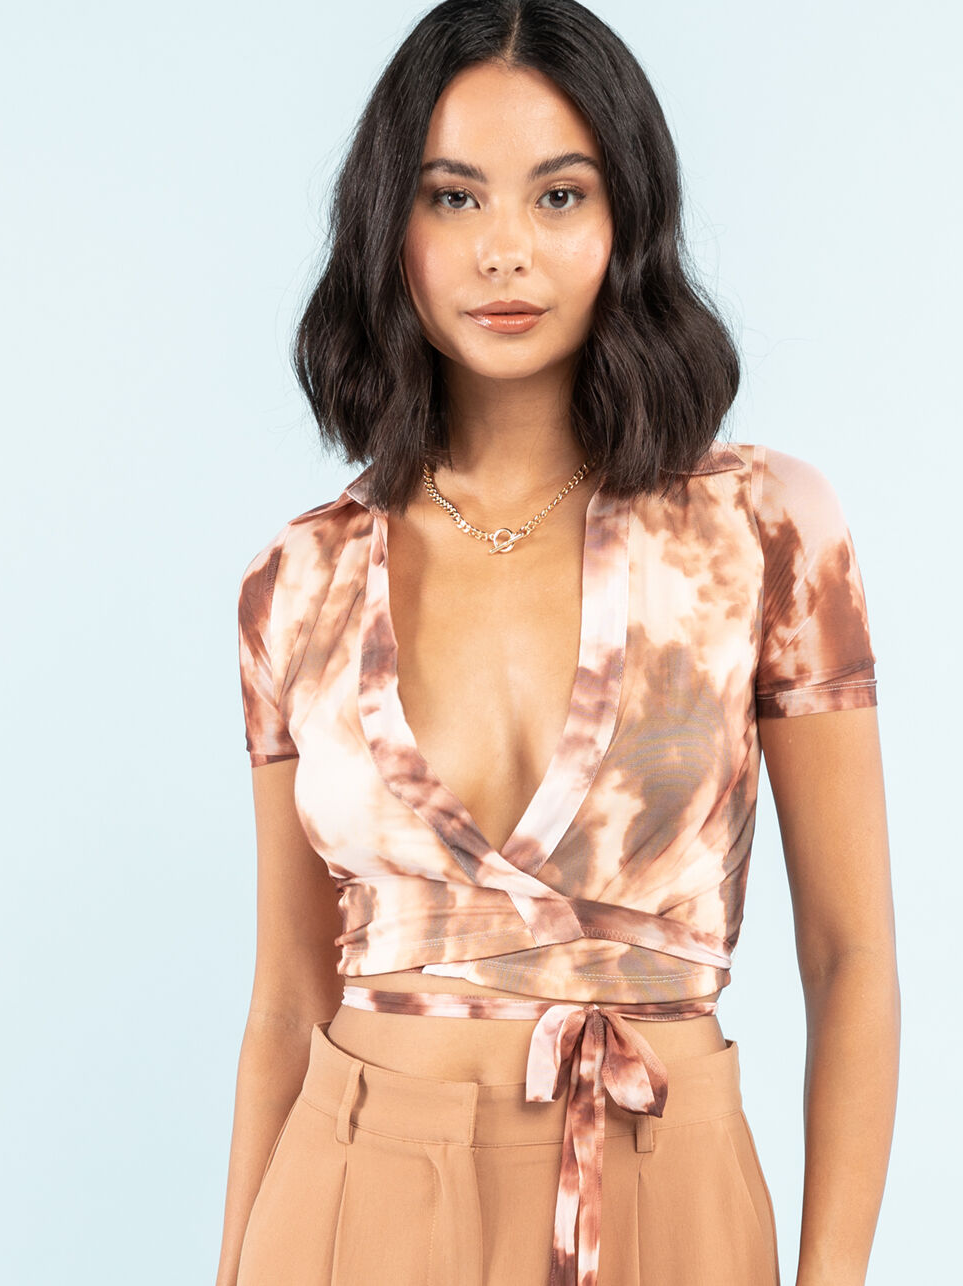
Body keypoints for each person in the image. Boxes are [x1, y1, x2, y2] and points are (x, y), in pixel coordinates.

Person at [215, 2, 899, 1284]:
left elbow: (848, 955)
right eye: (453, 197)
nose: (504, 250)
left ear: (626, 218)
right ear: (389, 224)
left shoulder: (765, 526)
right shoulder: (294, 582)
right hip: (350, 1200)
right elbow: (289, 995)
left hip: (666, 1188)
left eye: (559, 195)